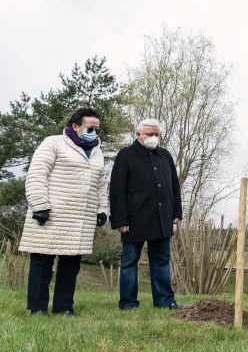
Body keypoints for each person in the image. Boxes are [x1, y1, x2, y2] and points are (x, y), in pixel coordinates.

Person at [19, 107, 108, 316]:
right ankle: (38, 308)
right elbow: (37, 173)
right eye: (90, 128)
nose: (94, 132)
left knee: (71, 265)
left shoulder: (97, 151)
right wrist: (39, 204)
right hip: (52, 213)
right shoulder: (53, 143)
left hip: (81, 218)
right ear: (75, 126)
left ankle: (64, 307)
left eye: (96, 128)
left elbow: (101, 183)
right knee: (42, 262)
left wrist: (102, 208)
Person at [109, 119, 184, 310]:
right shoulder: (125, 155)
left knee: (161, 262)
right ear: (138, 134)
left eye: (157, 134)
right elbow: (117, 189)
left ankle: (165, 301)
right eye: (150, 134)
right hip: (134, 220)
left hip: (162, 218)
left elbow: (174, 186)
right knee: (129, 263)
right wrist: (120, 219)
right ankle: (128, 303)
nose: (154, 138)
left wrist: (176, 211)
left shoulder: (165, 155)